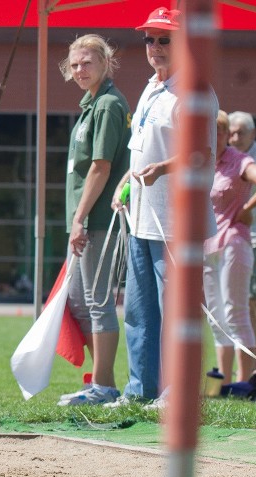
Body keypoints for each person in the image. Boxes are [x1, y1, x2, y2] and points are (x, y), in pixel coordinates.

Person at [109, 7, 219, 408]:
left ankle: (177, 391)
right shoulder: (152, 87)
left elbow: (202, 152)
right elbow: (141, 147)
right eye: (149, 39)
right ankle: (139, 389)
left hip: (175, 219)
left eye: (164, 39)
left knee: (174, 311)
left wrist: (163, 168)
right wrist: (127, 180)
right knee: (138, 312)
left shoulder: (194, 89)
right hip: (141, 215)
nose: (154, 47)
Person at [54, 34, 131, 407]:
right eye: (75, 64)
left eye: (87, 62)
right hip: (85, 219)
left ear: (105, 63)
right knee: (79, 300)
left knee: (98, 301)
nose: (80, 69)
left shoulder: (108, 106)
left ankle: (104, 385)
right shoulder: (91, 105)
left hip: (100, 219)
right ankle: (99, 379)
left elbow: (101, 169)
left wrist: (80, 218)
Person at [204, 110, 256, 383]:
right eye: (213, 131)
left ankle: (245, 381)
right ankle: (226, 383)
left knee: (236, 311)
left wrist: (246, 208)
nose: (220, 136)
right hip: (207, 246)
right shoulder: (203, 164)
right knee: (216, 317)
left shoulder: (240, 160)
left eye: (221, 131)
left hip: (235, 241)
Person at [228, 111, 256, 368]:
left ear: (253, 133)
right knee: (242, 301)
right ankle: (251, 363)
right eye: (231, 132)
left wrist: (246, 210)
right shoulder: (230, 159)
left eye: (241, 132)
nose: (235, 137)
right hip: (238, 242)